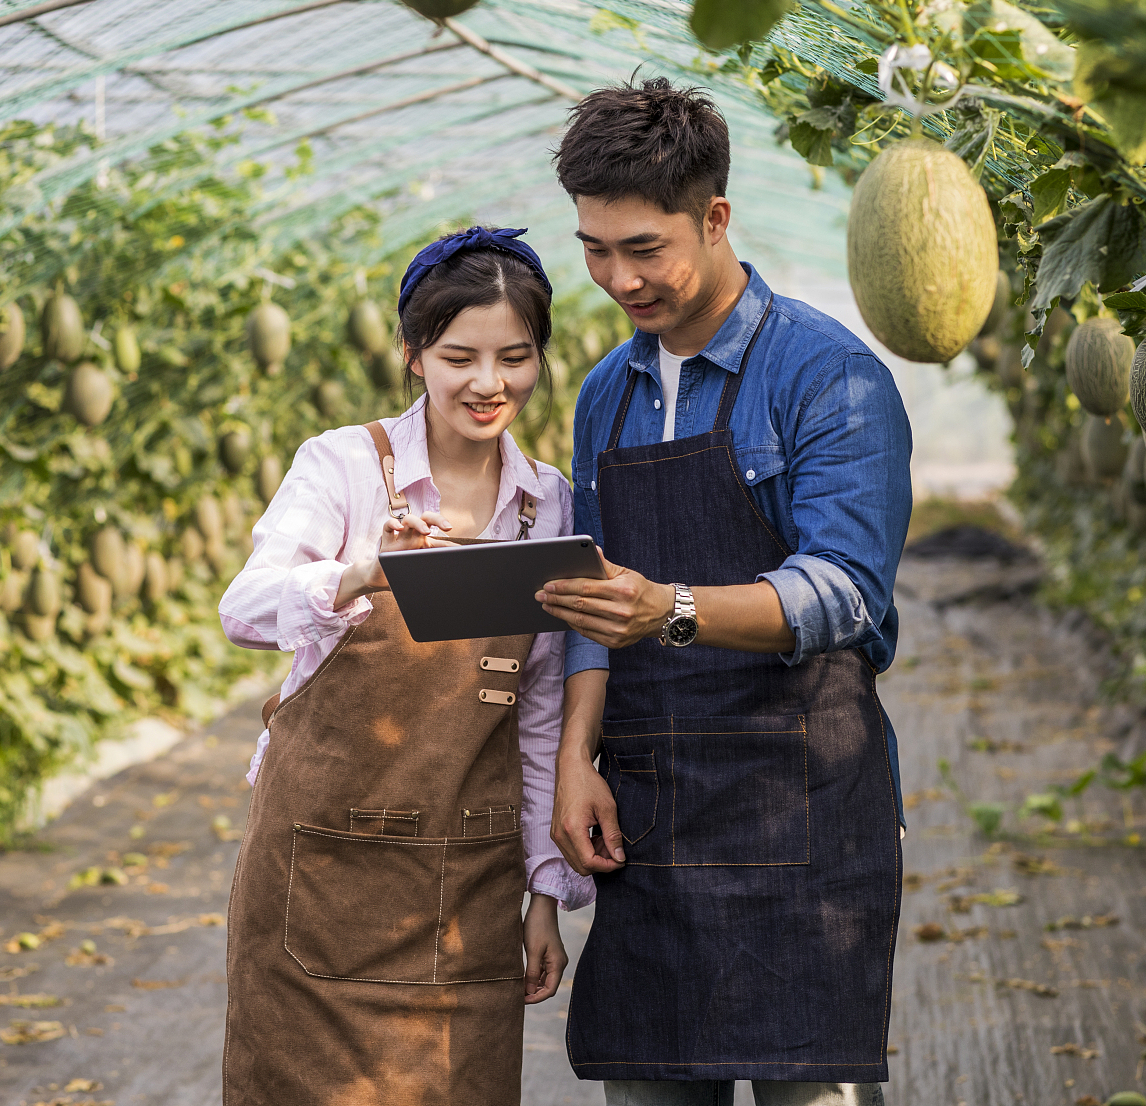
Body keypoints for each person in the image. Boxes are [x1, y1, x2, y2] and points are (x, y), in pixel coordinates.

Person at [536, 79, 912, 1105]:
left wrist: (675, 609)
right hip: (653, 813)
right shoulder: (605, 393)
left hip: (800, 808)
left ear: (714, 219)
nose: (616, 278)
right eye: (593, 249)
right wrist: (572, 763)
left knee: (808, 1092)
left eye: (643, 248)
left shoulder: (826, 377)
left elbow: (845, 592)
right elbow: (587, 597)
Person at [217, 226, 595, 1106]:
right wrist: (359, 571)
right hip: (318, 886)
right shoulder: (346, 466)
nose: (489, 383)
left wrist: (546, 891)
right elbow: (245, 607)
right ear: (413, 354)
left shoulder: (548, 507)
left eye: (515, 356)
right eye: (460, 355)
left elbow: (536, 711)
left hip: (468, 893)